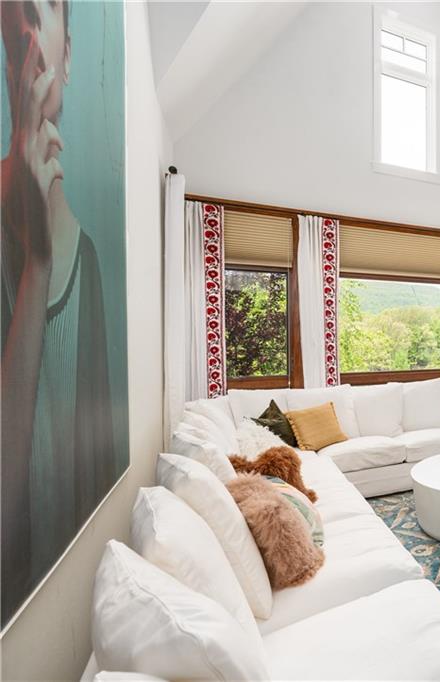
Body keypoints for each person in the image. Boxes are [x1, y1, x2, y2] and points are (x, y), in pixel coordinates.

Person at [1, 0, 115, 624]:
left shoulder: (89, 261)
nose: (25, 27)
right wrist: (34, 265)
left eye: (42, 9)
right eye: (12, 15)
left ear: (68, 53)